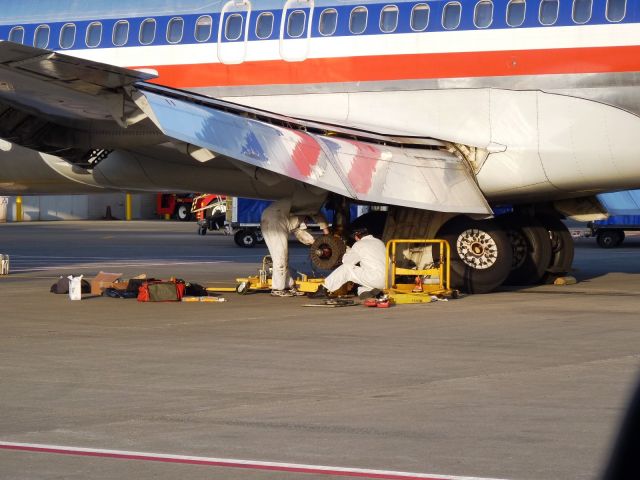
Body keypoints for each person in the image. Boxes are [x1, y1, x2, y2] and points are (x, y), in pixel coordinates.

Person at [261, 198, 329, 297]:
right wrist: (326, 232)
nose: (307, 223)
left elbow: (300, 234)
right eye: (308, 221)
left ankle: (288, 285)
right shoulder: (310, 204)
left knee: (284, 256)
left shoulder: (297, 214)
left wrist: (316, 244)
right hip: (274, 221)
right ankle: (277, 288)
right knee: (280, 256)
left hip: (273, 219)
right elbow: (317, 215)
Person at [315, 227, 386, 299]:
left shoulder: (359, 244)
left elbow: (347, 261)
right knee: (361, 289)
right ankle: (373, 293)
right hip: (388, 280)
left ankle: (324, 288)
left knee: (347, 268)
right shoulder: (379, 242)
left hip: (374, 278)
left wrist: (347, 252)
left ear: (357, 236)